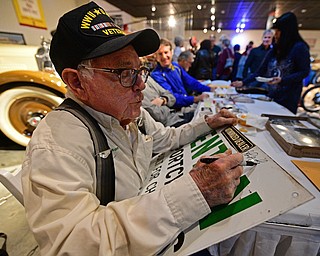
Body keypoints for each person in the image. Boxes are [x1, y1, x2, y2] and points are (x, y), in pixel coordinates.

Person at [21, 2, 243, 255]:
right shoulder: (58, 144)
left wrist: (207, 123)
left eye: (140, 70)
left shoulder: (128, 114)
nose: (141, 85)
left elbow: (166, 137)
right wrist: (195, 191)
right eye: (124, 73)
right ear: (77, 81)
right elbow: (72, 244)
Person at [231, 12, 310, 114]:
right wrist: (243, 82)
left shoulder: (300, 48)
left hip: (288, 98)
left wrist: (283, 80)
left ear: (286, 31)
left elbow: (304, 72)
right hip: (272, 94)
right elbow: (260, 71)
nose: (275, 34)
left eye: (278, 31)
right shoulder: (275, 49)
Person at [151, 38, 214, 110]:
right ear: (156, 57)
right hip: (176, 110)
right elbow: (171, 96)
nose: (164, 57)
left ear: (171, 52)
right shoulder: (156, 75)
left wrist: (210, 89)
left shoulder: (176, 67)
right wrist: (195, 99)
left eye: (166, 52)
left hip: (187, 104)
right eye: (160, 54)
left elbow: (191, 82)